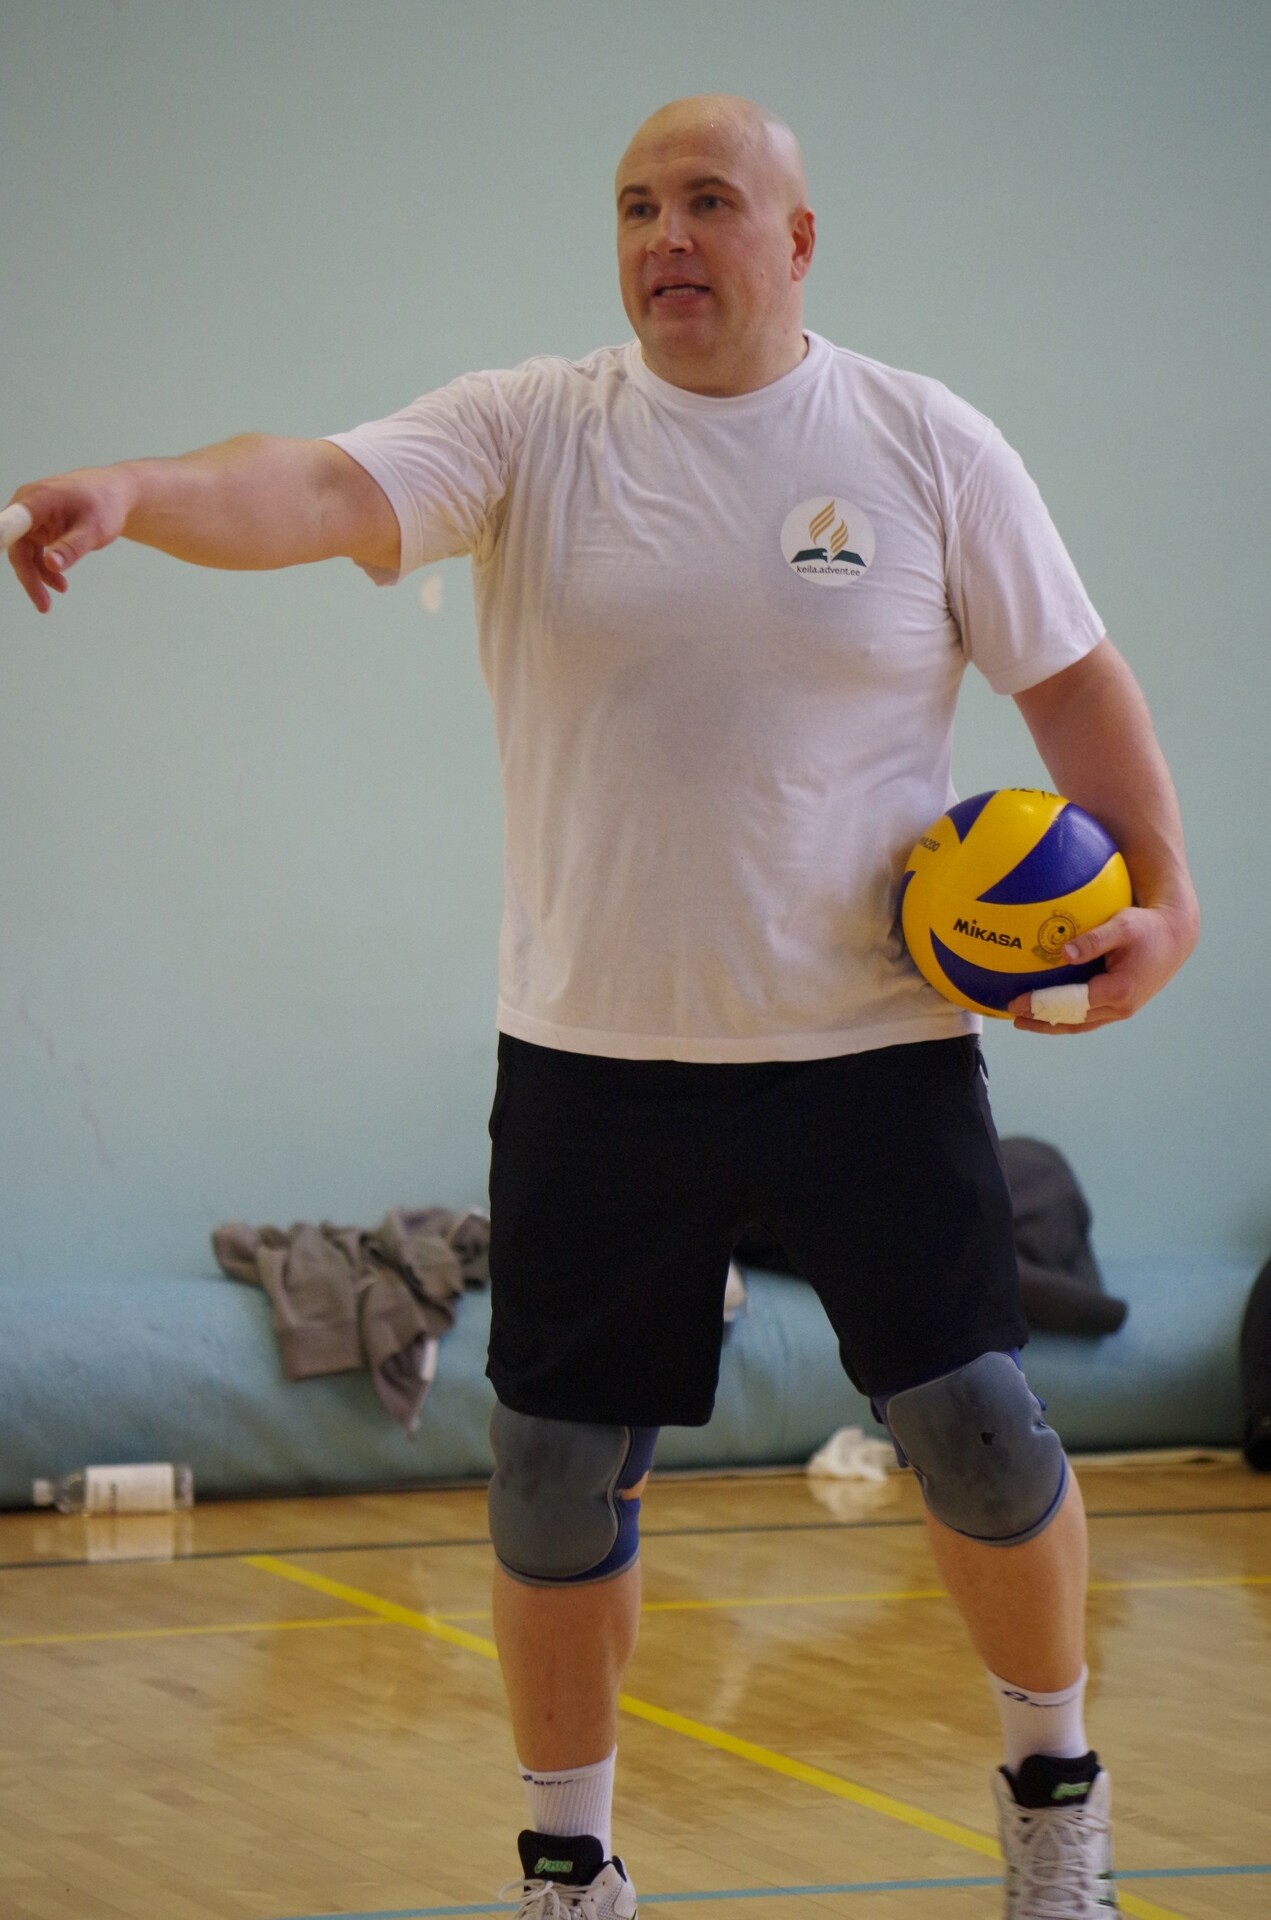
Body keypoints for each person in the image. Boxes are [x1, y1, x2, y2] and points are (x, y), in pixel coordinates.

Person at [6, 93, 1198, 1920]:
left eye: (709, 201)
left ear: (798, 240)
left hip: (873, 1059)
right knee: (554, 1481)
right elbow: (315, 484)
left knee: (979, 1433)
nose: (665, 237)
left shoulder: (925, 442)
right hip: (594, 1066)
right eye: (638, 206)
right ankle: (571, 1871)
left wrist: (1167, 901)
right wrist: (142, 497)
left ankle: (1058, 1806)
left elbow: (1077, 683)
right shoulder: (532, 429)